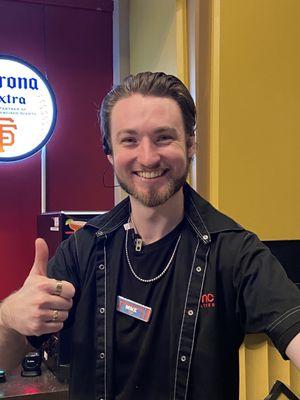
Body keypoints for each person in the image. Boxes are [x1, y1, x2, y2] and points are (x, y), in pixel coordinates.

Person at [0, 72, 300, 400]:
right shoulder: (82, 250)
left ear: (190, 145)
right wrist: (11, 316)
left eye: (163, 138)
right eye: (129, 140)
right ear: (111, 154)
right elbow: (6, 355)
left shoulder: (234, 252)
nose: (147, 157)